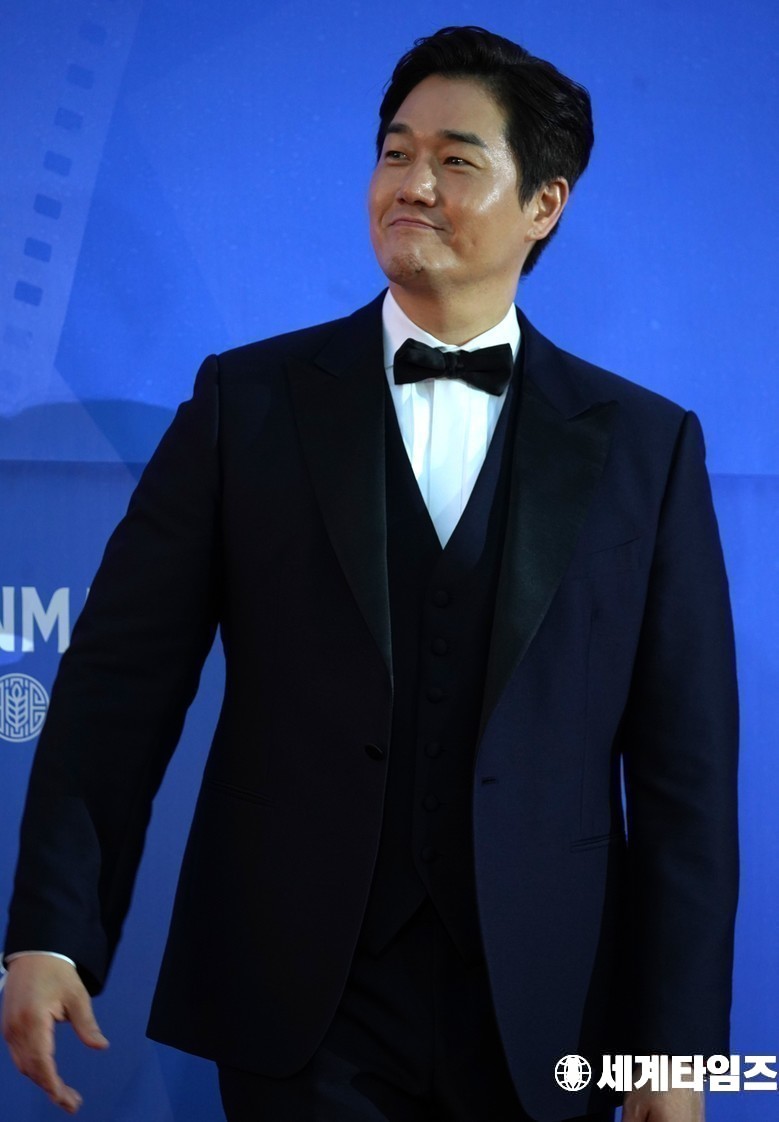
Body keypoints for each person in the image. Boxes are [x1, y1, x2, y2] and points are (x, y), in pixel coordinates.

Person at [1, 25, 738, 1122]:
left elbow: (686, 776)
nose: (412, 185)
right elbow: (117, 690)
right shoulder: (247, 404)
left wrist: (671, 1053)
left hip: (551, 1008)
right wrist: (52, 933)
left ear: (543, 204)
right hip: (300, 1000)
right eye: (395, 153)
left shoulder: (644, 445)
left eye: (454, 160)